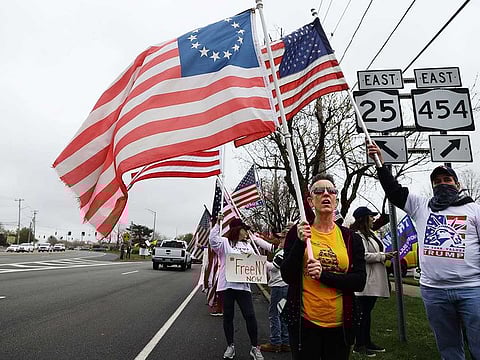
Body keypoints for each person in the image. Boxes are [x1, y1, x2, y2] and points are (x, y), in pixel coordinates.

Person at [367, 142, 480, 360]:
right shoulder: (422, 206)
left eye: (447, 180)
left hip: (471, 290)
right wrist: (380, 164)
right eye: (436, 181)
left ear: (458, 184)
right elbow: (394, 191)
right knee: (448, 348)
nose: (442, 184)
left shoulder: (473, 210)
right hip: (434, 291)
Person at [281, 173, 366, 360]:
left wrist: (324, 275)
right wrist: (300, 243)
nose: (326, 194)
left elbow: (359, 282)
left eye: (331, 191)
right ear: (311, 201)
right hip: (305, 324)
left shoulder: (351, 238)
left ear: (336, 199)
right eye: (319, 191)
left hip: (340, 325)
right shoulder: (298, 233)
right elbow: (287, 275)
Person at [209, 215, 264, 360]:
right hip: (226, 286)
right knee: (228, 316)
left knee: (250, 315)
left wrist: (270, 268)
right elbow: (212, 240)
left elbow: (256, 264)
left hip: (243, 287)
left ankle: (254, 347)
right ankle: (230, 346)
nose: (247, 233)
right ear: (238, 230)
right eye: (245, 230)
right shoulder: (225, 243)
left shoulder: (248, 245)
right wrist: (217, 224)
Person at [350, 206, 397, 357]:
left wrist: (384, 255)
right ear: (364, 218)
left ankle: (367, 342)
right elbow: (362, 255)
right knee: (363, 314)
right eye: (371, 216)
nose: (373, 218)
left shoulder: (371, 234)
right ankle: (360, 345)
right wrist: (383, 256)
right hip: (366, 281)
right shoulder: (358, 236)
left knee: (367, 314)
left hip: (374, 279)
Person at [260, 226, 292, 353]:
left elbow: (274, 267)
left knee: (274, 314)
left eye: (282, 238)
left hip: (279, 286)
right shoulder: (285, 251)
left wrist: (259, 261)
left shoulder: (284, 252)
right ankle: (285, 341)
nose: (280, 240)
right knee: (282, 313)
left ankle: (275, 342)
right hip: (284, 285)